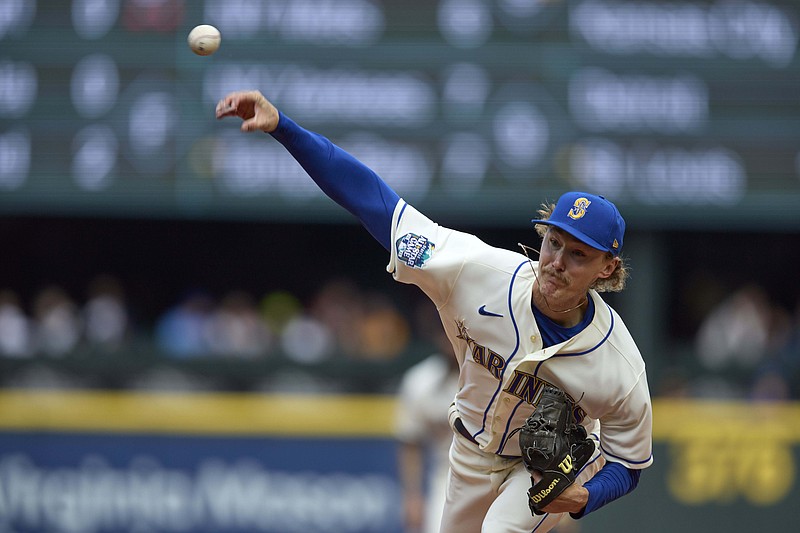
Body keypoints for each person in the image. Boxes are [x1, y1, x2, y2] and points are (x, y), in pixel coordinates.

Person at [216, 90, 654, 533]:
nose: (557, 261)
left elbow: (629, 461)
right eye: (553, 242)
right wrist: (283, 127)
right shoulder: (474, 271)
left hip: (538, 472)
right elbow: (374, 201)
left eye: (578, 254)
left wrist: (584, 498)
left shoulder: (618, 363)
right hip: (467, 454)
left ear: (608, 268)